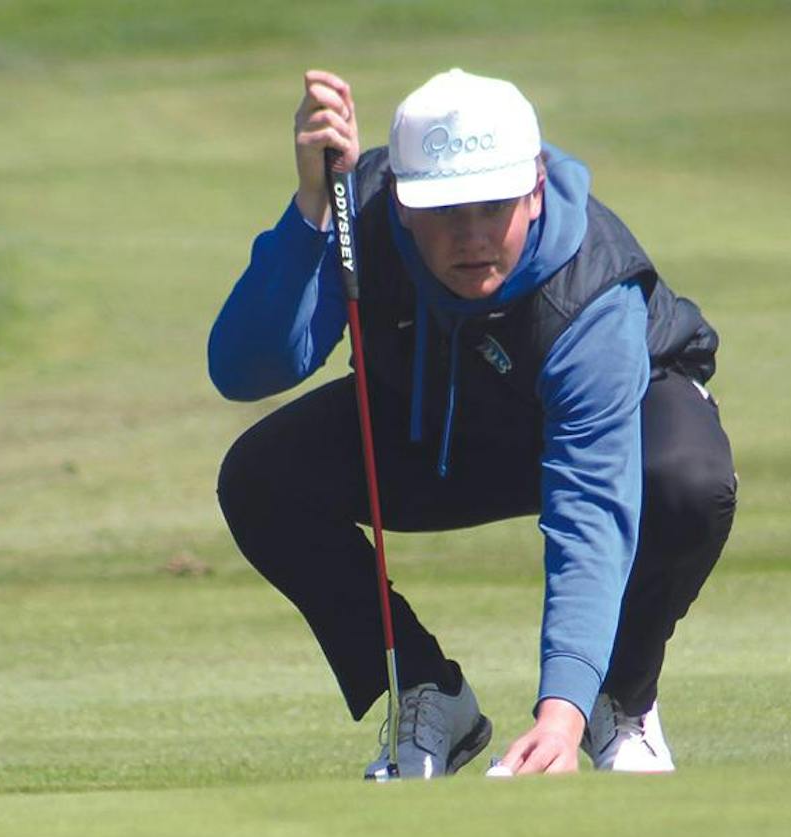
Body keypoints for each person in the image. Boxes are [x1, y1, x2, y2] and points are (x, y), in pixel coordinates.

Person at [209, 68, 735, 778]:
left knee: (686, 482)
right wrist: (312, 212)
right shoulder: (361, 218)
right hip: (441, 425)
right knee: (262, 478)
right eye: (445, 210)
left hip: (614, 431)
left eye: (493, 206)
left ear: (535, 189)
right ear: (402, 204)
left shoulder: (588, 294)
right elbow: (245, 370)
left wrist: (560, 712)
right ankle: (428, 691)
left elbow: (591, 509)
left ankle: (619, 697)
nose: (472, 237)